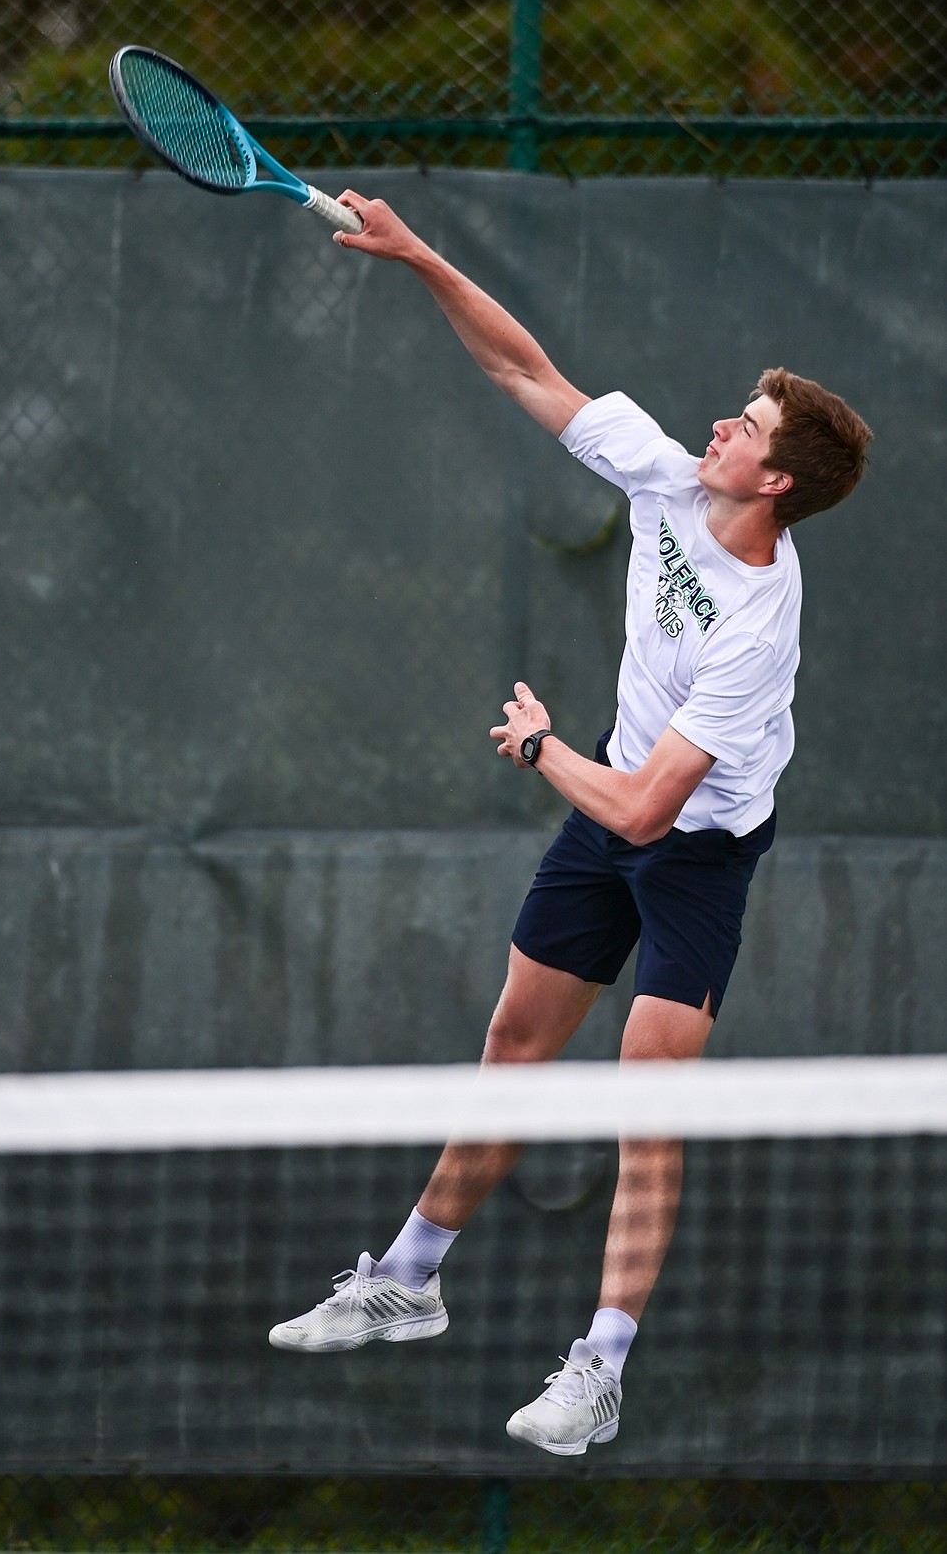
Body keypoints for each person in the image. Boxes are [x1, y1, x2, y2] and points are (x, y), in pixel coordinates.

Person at [268, 190, 874, 1457]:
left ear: (777, 481)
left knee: (650, 1099)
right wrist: (421, 253)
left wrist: (542, 746)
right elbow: (523, 367)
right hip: (610, 805)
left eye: (746, 427)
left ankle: (600, 1371)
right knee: (514, 1041)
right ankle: (408, 1279)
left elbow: (654, 806)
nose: (720, 423)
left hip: (695, 845)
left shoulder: (760, 629)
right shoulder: (666, 480)